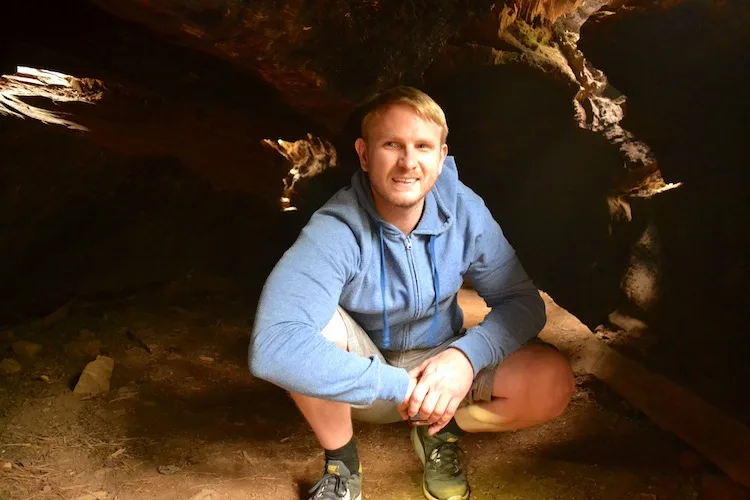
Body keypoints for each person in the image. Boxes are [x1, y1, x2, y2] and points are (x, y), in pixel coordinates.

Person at [249, 86, 575, 500]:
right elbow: (274, 345)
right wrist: (401, 388)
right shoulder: (336, 227)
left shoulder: (464, 210)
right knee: (314, 326)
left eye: (422, 146)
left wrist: (464, 358)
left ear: (441, 157)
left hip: (442, 362)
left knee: (552, 382)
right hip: (368, 370)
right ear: (365, 155)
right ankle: (341, 463)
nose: (408, 162)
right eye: (391, 145)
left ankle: (441, 432)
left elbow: (522, 301)